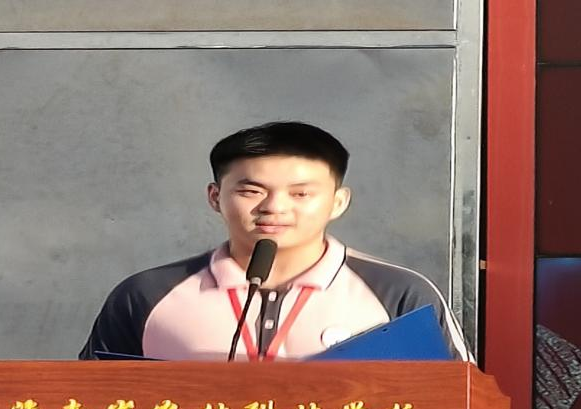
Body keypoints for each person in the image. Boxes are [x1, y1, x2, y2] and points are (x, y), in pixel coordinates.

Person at [79, 121, 471, 361]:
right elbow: (84, 408)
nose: (274, 207)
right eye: (251, 191)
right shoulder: (147, 295)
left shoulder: (399, 294)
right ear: (215, 197)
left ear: (338, 202)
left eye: (301, 193)